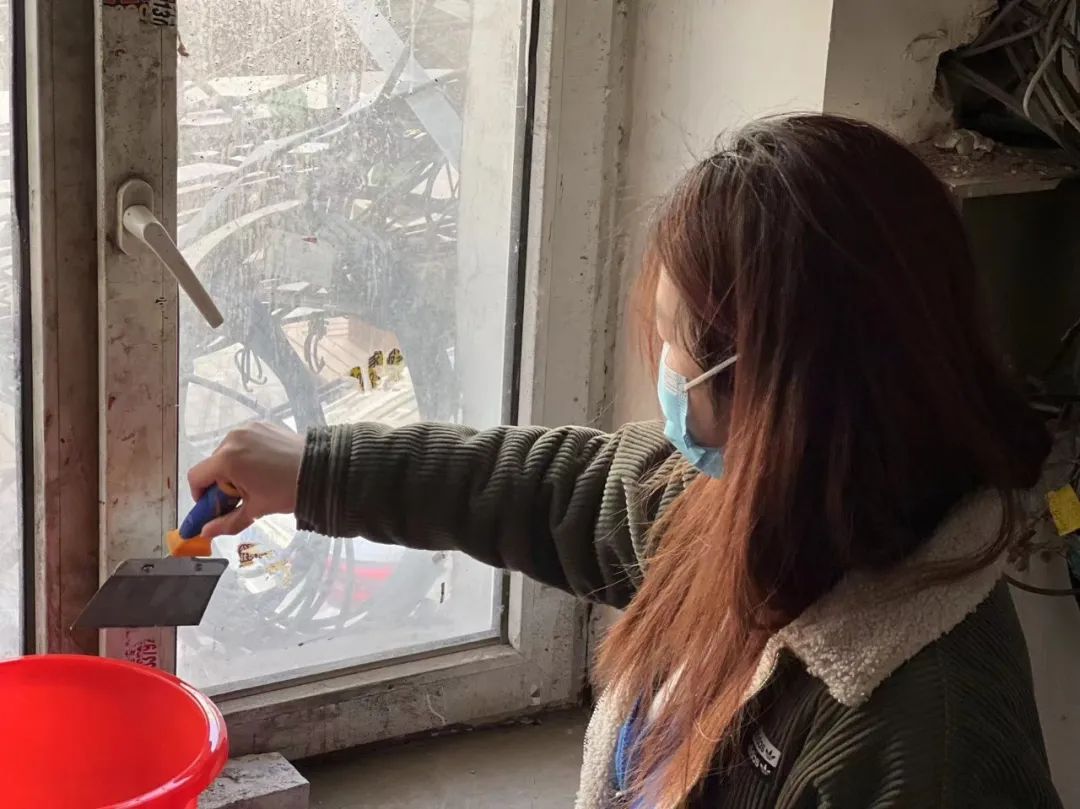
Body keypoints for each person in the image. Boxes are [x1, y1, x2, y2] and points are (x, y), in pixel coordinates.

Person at [188, 115, 1062, 809]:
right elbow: (554, 489)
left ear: (774, 394)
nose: (664, 375)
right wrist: (315, 472)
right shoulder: (768, 501)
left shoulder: (929, 747)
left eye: (675, 341)